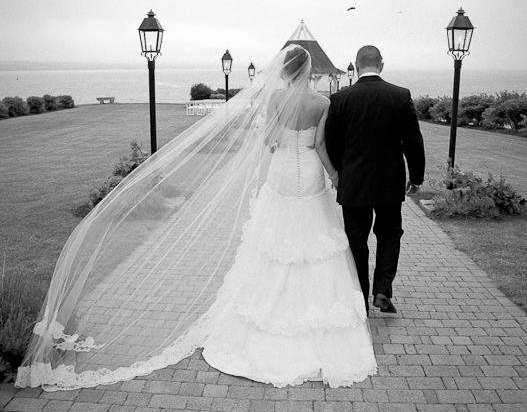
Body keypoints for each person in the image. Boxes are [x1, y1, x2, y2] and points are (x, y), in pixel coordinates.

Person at [17, 45, 376, 391]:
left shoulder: (276, 99)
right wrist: (333, 175)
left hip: (282, 172)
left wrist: (277, 141)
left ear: (284, 70)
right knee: (313, 240)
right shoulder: (322, 102)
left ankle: (268, 310)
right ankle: (316, 315)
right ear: (309, 71)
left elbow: (267, 139)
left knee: (277, 240)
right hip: (310, 173)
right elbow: (320, 147)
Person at [325, 45, 425, 315]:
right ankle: (382, 290)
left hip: (353, 183)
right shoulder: (400, 95)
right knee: (390, 235)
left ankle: (359, 298)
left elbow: (331, 143)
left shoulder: (341, 98)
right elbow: (413, 141)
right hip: (389, 182)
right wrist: (416, 177)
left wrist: (340, 174)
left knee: (356, 240)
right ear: (381, 64)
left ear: (356, 66)